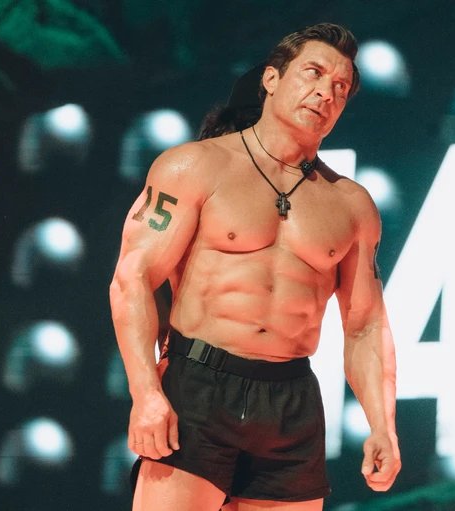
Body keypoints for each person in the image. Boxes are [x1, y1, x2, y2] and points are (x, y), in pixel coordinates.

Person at [109, 23, 401, 511]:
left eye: (340, 87)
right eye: (313, 72)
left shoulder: (352, 205)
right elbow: (132, 279)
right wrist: (146, 393)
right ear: (271, 78)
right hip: (197, 385)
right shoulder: (194, 166)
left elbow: (366, 324)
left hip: (292, 403)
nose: (325, 93)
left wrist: (383, 427)